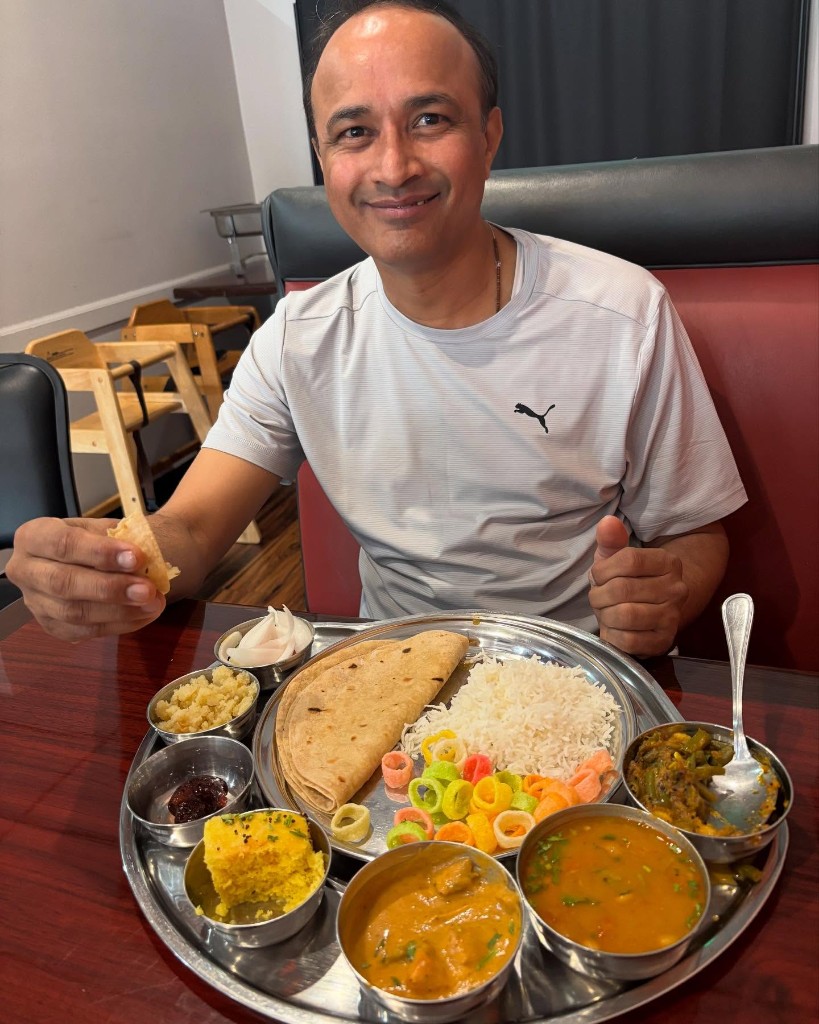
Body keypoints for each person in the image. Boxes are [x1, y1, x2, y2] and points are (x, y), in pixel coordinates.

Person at [6, 0, 746, 658]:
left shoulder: (620, 312)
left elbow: (695, 534)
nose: (393, 166)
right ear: (324, 159)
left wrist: (666, 591)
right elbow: (193, 534)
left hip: (574, 675)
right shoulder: (296, 338)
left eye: (430, 119)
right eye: (354, 131)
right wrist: (119, 564)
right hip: (386, 683)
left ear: (488, 136)